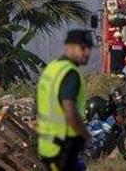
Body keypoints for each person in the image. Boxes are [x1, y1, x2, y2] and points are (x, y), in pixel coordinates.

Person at [36, 29, 94, 171]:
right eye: (83, 48)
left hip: (48, 144)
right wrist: (86, 136)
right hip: (63, 146)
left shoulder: (52, 68)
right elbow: (70, 111)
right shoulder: (70, 73)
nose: (87, 53)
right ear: (69, 47)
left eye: (89, 48)